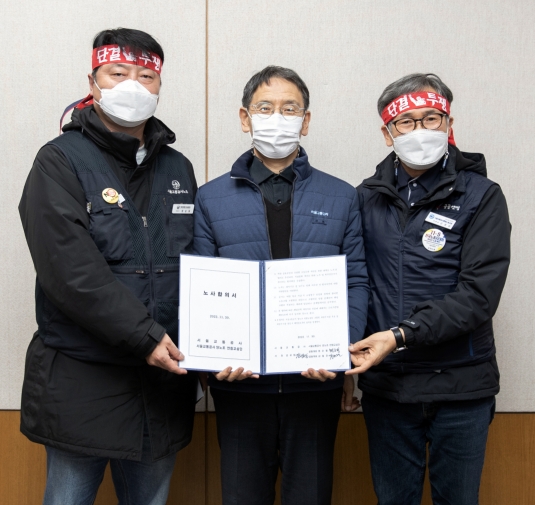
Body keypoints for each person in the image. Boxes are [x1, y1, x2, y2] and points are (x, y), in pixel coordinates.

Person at [18, 28, 198, 505]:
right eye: (117, 73)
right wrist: (145, 336)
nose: (132, 85)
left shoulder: (177, 168)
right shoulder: (59, 162)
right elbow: (71, 272)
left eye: (145, 75)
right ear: (93, 81)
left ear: (159, 85)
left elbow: (197, 264)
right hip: (84, 384)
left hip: (161, 386)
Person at [193, 66, 368, 505]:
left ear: (306, 120)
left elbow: (356, 280)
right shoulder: (210, 197)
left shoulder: (342, 196)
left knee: (310, 496)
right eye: (265, 108)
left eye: (289, 108)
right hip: (238, 384)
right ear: (244, 116)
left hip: (315, 383)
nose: (278, 117)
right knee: (241, 496)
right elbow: (199, 284)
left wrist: (338, 353)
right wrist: (212, 362)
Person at [347, 73, 511, 505]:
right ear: (387, 133)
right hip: (389, 389)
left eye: (432, 118)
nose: (421, 130)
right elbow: (354, 284)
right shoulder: (364, 199)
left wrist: (401, 335)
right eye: (407, 122)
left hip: (461, 388)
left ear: (448, 123)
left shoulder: (482, 196)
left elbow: (479, 294)